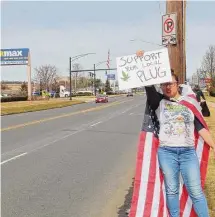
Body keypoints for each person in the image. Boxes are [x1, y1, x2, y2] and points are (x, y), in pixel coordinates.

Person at [137, 49, 215, 217]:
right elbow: (148, 85)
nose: (167, 86)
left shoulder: (189, 103)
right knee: (172, 190)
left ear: (178, 84)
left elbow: (200, 127)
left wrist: (213, 145)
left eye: (170, 83)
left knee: (196, 191)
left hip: (188, 153)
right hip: (167, 153)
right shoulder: (158, 102)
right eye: (164, 84)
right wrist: (143, 61)